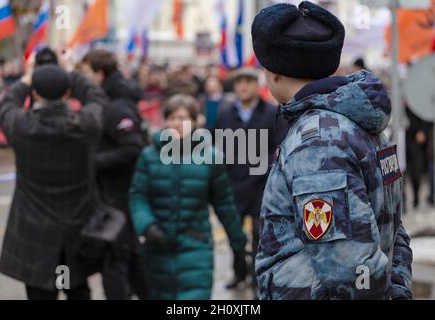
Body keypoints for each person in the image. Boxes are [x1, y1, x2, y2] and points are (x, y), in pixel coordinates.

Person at [252, 1, 412, 300]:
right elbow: (395, 231)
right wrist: (398, 289)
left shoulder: (318, 140)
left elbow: (348, 267)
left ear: (272, 74)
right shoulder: (359, 122)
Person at [0, 58, 107, 300]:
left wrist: (26, 79)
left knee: (40, 294)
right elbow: (96, 97)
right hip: (76, 230)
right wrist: (70, 71)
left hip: (34, 233)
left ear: (34, 93)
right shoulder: (85, 126)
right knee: (76, 289)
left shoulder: (21, 126)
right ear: (69, 92)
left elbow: (6, 103)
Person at [129, 94, 247, 300]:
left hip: (196, 245)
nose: (177, 124)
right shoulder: (148, 156)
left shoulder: (210, 157)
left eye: (183, 118)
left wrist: (237, 243)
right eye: (172, 118)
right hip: (158, 247)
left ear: (195, 121)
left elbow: (224, 203)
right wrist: (147, 225)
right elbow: (138, 196)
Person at [80, 49, 149, 300]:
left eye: (85, 73)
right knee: (129, 258)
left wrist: (92, 163)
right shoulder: (108, 100)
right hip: (114, 194)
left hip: (118, 196)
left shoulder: (116, 107)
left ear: (99, 74)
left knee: (116, 262)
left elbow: (132, 148)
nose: (82, 78)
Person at [215, 68, 287, 291]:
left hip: (261, 186)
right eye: (239, 83)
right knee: (235, 235)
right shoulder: (225, 113)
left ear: (257, 85)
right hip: (233, 184)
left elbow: (280, 146)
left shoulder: (272, 113)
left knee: (260, 237)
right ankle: (238, 272)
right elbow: (217, 144)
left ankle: (258, 280)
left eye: (248, 82)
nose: (243, 87)